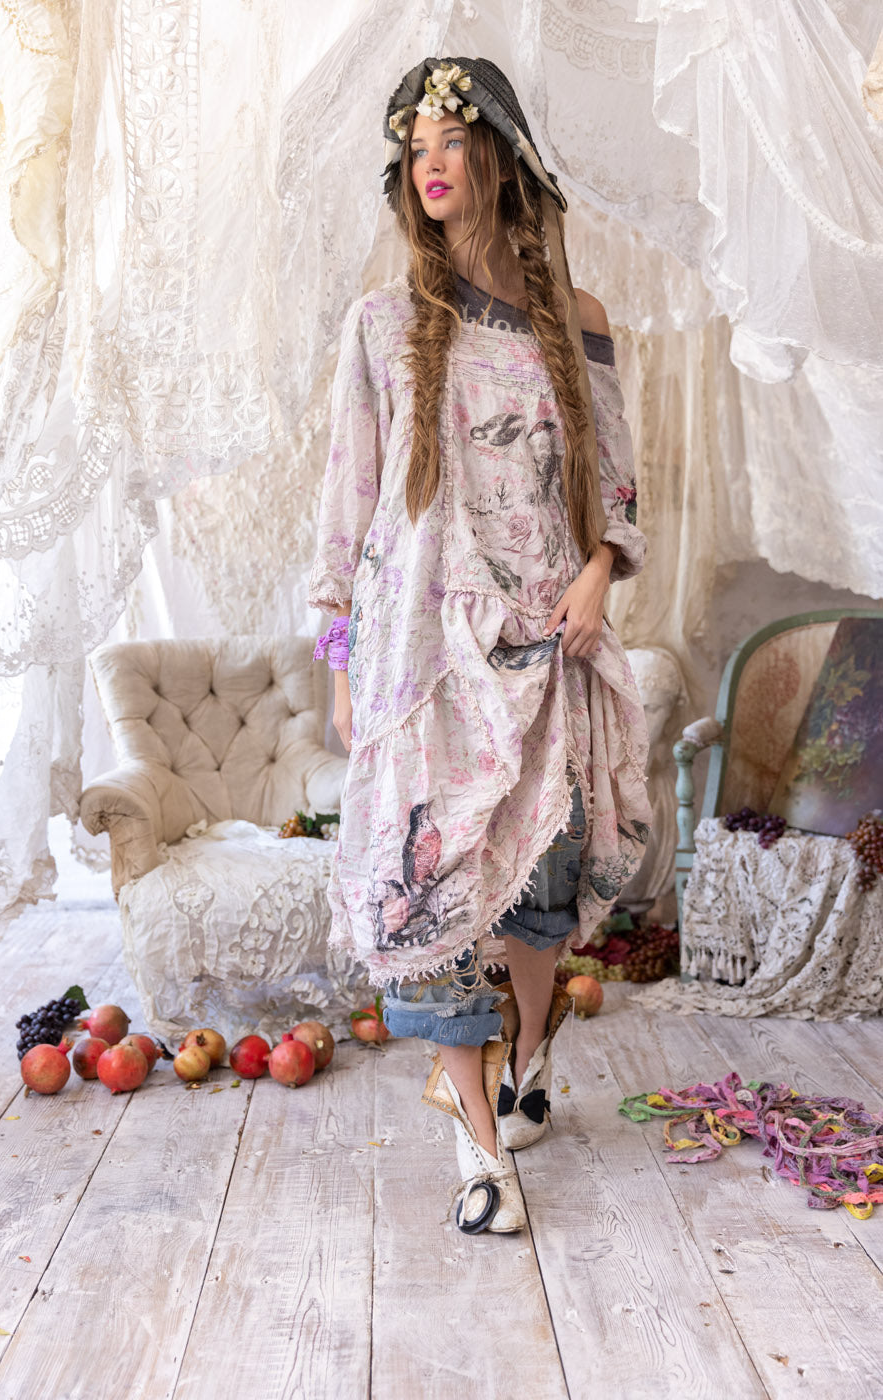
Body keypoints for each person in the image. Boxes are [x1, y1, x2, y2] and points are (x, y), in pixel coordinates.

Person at [309, 57, 651, 1235]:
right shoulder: (383, 324)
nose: (431, 162)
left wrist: (604, 571)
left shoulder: (581, 326)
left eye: (453, 138)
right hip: (420, 660)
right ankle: (479, 1148)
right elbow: (344, 506)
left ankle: (528, 1057)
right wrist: (345, 660)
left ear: (499, 154)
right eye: (414, 148)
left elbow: (614, 484)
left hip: (546, 647)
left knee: (536, 903)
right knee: (431, 888)